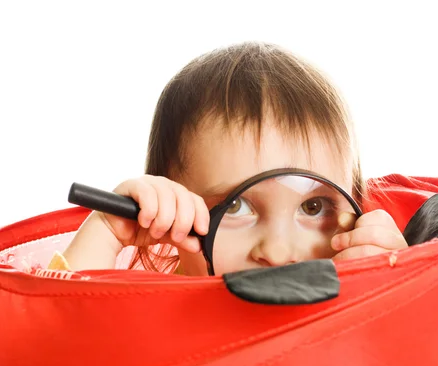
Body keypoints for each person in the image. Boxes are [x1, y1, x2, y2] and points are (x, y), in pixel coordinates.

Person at [53, 41, 407, 277]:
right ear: (166, 219)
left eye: (313, 207)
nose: (279, 252)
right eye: (236, 205)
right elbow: (55, 349)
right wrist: (106, 232)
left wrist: (400, 279)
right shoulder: (150, 312)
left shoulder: (353, 297)